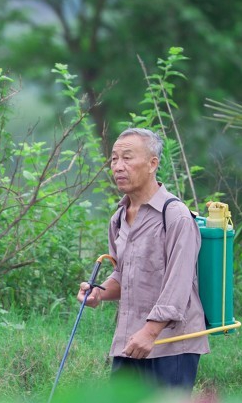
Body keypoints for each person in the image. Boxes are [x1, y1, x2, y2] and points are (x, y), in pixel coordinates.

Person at [75, 128, 208, 389]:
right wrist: (99, 293)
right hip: (129, 341)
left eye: (127, 158)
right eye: (114, 159)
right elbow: (123, 274)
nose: (118, 167)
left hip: (171, 344)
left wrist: (150, 332)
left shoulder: (176, 216)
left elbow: (178, 283)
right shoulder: (119, 218)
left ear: (152, 164)